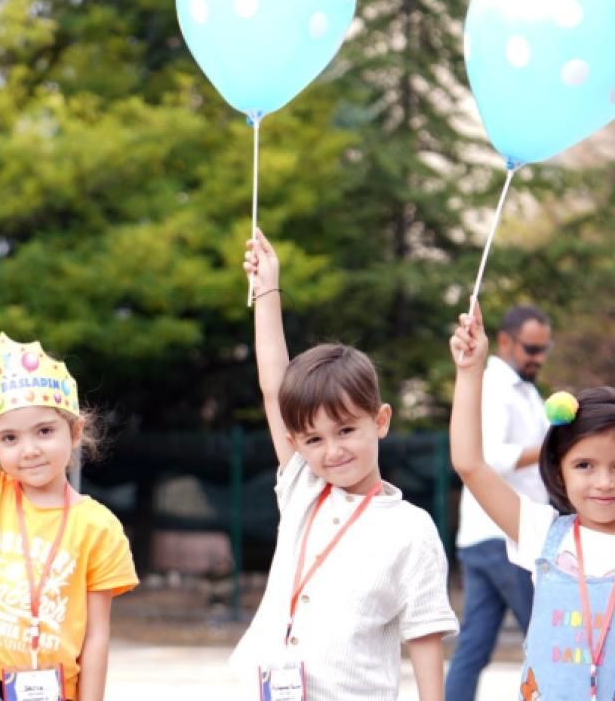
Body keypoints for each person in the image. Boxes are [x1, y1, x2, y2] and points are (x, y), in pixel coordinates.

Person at [230, 230, 457, 699]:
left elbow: (425, 636)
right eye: (313, 439)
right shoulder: (304, 487)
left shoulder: (412, 529)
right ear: (296, 442)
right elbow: (274, 388)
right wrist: (268, 290)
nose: (332, 451)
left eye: (346, 430)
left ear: (381, 420)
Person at [0, 258, 139, 701]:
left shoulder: (99, 527)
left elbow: (96, 637)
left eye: (45, 431)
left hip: (55, 689)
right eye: (10, 438)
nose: (29, 449)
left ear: (75, 432)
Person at [451, 302, 615, 699]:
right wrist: (470, 371)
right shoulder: (543, 533)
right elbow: (471, 463)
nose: (604, 482)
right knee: (473, 646)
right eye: (584, 465)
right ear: (558, 471)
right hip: (486, 541)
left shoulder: (529, 392)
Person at [446, 305, 553, 701]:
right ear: (505, 340)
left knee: (473, 647)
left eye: (544, 349)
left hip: (486, 537)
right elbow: (487, 457)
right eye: (531, 349)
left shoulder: (527, 390)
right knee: (550, 638)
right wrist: (553, 449)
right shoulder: (492, 385)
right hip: (506, 537)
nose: (538, 358)